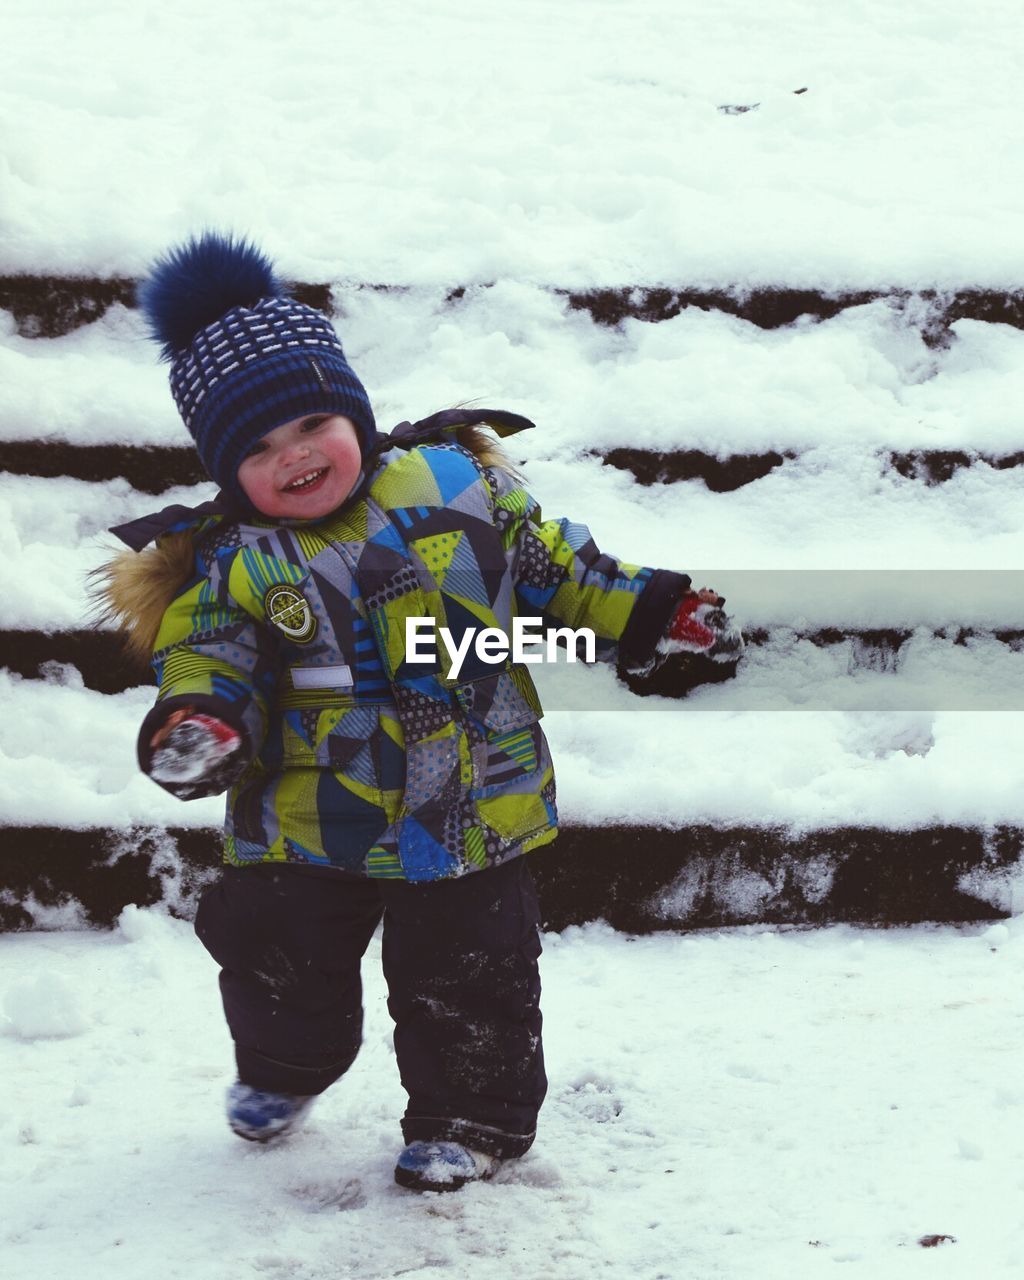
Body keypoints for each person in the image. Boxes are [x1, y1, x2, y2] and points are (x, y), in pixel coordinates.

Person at [96, 233, 741, 1193]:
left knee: (472, 973)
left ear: (354, 409)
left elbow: (559, 569)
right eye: (259, 449)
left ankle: (468, 1118)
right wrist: (204, 718)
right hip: (308, 815)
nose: (296, 456)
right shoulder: (236, 560)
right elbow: (208, 651)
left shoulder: (458, 488)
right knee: (278, 954)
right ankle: (285, 1066)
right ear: (229, 473)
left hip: (471, 802)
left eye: (312, 422)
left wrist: (649, 610)